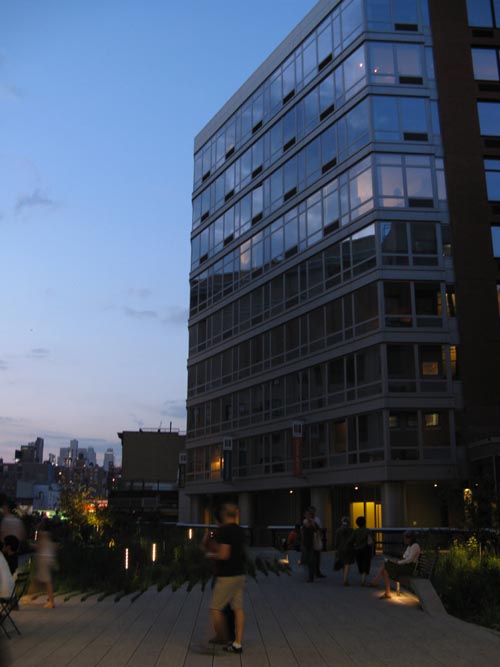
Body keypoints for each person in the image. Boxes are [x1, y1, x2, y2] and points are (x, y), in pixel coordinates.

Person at [206, 503, 246, 654]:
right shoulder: (240, 530)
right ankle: (237, 643)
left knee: (215, 608)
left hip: (227, 576)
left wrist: (211, 554)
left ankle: (223, 637)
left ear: (223, 514)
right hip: (240, 574)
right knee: (238, 609)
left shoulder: (224, 531)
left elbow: (224, 555)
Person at [200, 509, 235, 644]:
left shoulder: (221, 534)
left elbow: (216, 552)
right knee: (226, 607)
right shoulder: (228, 532)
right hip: (228, 574)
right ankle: (229, 635)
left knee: (219, 607)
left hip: (222, 574)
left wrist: (210, 550)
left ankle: (223, 636)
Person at [371, 530, 421, 599]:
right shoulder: (410, 546)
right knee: (385, 568)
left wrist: (398, 562)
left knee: (386, 565)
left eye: (405, 538)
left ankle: (377, 583)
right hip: (405, 565)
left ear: (410, 538)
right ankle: (386, 591)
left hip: (409, 567)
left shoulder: (415, 546)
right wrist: (397, 561)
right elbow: (405, 556)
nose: (404, 540)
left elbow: (409, 559)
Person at [34, 522, 57, 608]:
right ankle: (30, 595)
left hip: (43, 558)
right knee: (40, 579)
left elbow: (39, 546)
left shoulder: (42, 534)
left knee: (47, 581)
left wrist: (32, 546)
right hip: (49, 557)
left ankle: (51, 602)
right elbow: (54, 546)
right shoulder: (51, 535)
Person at [352, 516, 373, 586]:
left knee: (360, 564)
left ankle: (362, 578)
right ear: (365, 522)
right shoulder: (368, 531)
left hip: (357, 550)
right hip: (366, 549)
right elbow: (371, 541)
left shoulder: (355, 531)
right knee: (366, 564)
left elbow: (351, 540)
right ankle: (363, 579)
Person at [334, 516, 355, 586]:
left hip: (340, 549)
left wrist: (336, 549)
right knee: (347, 564)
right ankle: (345, 579)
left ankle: (344, 578)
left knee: (343, 563)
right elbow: (353, 540)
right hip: (349, 549)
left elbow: (336, 542)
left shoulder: (338, 530)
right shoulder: (351, 530)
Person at [309, 506, 326, 578]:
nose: (312, 512)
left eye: (313, 511)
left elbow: (320, 529)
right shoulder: (307, 520)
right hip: (310, 540)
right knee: (312, 557)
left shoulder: (317, 519)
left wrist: (320, 538)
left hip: (317, 539)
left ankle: (317, 572)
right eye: (311, 511)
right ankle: (312, 573)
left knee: (317, 557)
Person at [300, 511, 317, 583]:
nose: (307, 516)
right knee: (308, 561)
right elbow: (302, 534)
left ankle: (311, 577)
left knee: (310, 561)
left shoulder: (312, 524)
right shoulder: (305, 524)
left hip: (310, 544)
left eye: (308, 515)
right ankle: (311, 576)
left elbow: (316, 531)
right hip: (307, 544)